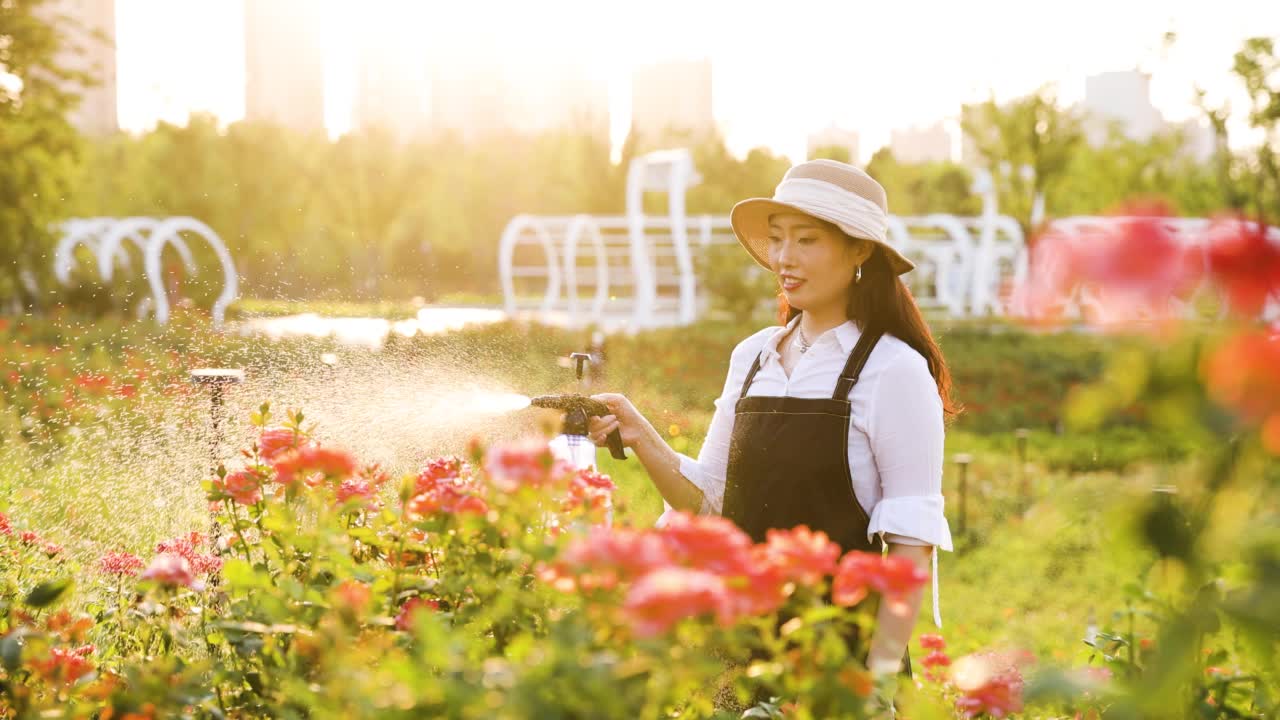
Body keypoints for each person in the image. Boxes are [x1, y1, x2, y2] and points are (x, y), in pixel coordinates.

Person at [587, 159, 959, 703]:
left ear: (859, 250)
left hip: (838, 661)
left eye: (807, 239)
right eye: (778, 239)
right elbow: (708, 502)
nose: (784, 257)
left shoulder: (893, 368)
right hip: (742, 652)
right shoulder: (754, 356)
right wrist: (641, 434)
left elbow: (910, 547)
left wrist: (875, 690)